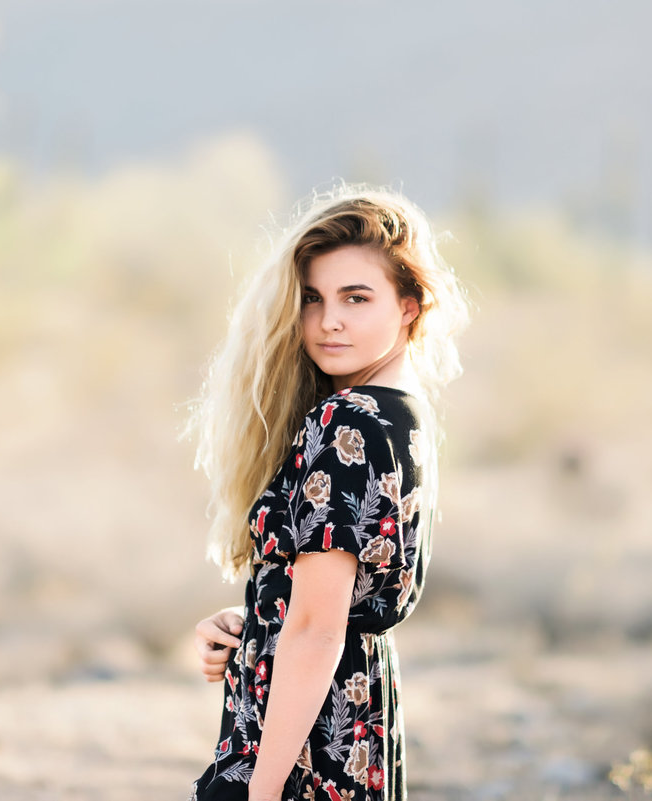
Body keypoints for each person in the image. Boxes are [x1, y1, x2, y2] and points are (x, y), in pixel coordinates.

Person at [186, 185, 469, 801]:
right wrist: (255, 625)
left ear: (410, 307)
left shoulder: (351, 421)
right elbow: (332, 604)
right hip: (352, 718)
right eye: (312, 299)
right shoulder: (404, 416)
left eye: (357, 298)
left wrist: (263, 793)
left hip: (304, 747)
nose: (328, 320)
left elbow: (318, 631)